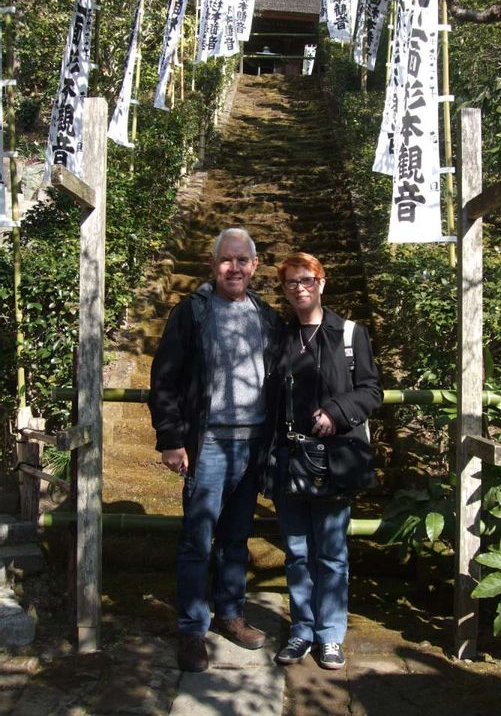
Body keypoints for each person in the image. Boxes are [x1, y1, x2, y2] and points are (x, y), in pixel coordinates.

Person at [149, 227, 284, 673]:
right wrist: (171, 439)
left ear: (255, 266)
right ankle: (191, 629)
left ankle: (229, 614)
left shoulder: (265, 314)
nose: (235, 267)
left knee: (235, 538)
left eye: (243, 260)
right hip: (207, 444)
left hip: (253, 444)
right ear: (212, 265)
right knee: (197, 539)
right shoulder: (192, 312)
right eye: (226, 260)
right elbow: (165, 378)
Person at [271, 252, 382, 670]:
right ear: (283, 290)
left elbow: (370, 390)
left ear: (322, 281)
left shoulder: (350, 334)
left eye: (307, 280)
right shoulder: (280, 336)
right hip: (289, 457)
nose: (300, 288)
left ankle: (330, 634)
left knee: (332, 552)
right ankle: (301, 630)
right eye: (291, 283)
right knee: (297, 552)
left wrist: (336, 412)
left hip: (334, 459)